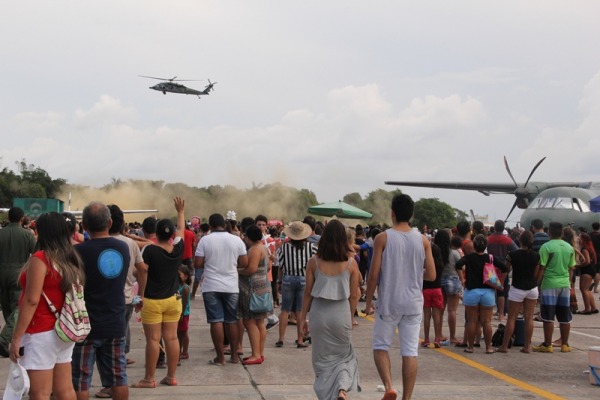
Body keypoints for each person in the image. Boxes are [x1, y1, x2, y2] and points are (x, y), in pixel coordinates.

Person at [365, 194, 435, 400]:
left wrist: (368, 302)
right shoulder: (423, 240)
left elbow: (374, 275)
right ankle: (407, 398)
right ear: (411, 214)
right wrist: (412, 272)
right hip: (413, 303)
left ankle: (389, 387)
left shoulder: (383, 238)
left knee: (380, 346)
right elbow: (431, 274)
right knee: (410, 352)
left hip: (389, 302)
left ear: (392, 213)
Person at [8, 212, 84, 400]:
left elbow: (31, 300)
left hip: (41, 331)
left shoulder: (41, 258)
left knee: (40, 393)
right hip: (64, 329)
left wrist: (16, 338)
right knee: (65, 390)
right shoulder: (70, 257)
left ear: (42, 231)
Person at [71, 202, 131, 400]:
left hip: (85, 324)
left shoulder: (78, 252)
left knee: (80, 379)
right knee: (118, 377)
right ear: (110, 222)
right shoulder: (123, 247)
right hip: (115, 322)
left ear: (84, 225)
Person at [298, 220, 361, 400]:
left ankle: (328, 396)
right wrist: (350, 316)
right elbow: (354, 295)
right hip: (340, 312)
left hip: (319, 313)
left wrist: (303, 318)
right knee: (345, 357)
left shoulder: (313, 262)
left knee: (322, 360)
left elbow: (307, 293)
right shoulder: (351, 264)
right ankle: (341, 389)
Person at [132, 197, 185, 388]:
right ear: (171, 234)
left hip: (152, 300)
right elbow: (181, 231)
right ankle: (171, 376)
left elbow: (142, 272)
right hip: (173, 299)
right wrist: (180, 212)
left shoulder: (149, 250)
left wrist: (141, 296)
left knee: (153, 340)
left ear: (156, 233)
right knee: (172, 338)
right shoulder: (178, 248)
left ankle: (149, 378)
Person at [194, 213, 248, 365]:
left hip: (211, 285)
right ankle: (235, 355)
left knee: (216, 321)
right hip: (231, 285)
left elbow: (197, 263)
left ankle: (220, 357)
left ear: (210, 226)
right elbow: (244, 262)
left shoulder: (205, 240)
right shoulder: (236, 240)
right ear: (224, 225)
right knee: (231, 320)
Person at [455, 234, 507, 355]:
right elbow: (504, 268)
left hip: (472, 291)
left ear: (474, 245)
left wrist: (462, 279)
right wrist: (501, 282)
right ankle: (488, 347)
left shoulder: (469, 257)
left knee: (472, 321)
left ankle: (470, 347)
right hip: (487, 291)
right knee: (486, 321)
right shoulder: (490, 258)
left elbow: (458, 265)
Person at [533, 222, 576, 353]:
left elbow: (542, 267)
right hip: (564, 284)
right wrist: (569, 283)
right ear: (562, 233)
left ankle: (547, 344)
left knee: (548, 316)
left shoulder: (546, 247)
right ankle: (565, 344)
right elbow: (571, 268)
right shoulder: (569, 248)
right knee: (564, 316)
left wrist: (537, 284)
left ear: (549, 233)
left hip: (549, 284)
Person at [0, 207, 37, 357]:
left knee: (7, 307)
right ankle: (4, 339)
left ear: (8, 217)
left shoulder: (1, 233)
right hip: (18, 274)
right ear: (22, 219)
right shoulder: (27, 235)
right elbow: (36, 254)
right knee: (18, 308)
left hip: (1, 274)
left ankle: (12, 339)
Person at [496, 231, 539, 354]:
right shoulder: (536, 256)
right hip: (532, 288)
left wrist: (500, 283)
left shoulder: (512, 255)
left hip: (517, 287)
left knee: (512, 318)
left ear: (520, 241)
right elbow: (536, 273)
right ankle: (527, 346)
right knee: (529, 318)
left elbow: (506, 269)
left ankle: (504, 346)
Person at [275, 221, 317, 348]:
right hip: (304, 279)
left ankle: (281, 339)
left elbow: (280, 266)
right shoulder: (312, 247)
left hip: (288, 279)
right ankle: (300, 339)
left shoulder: (284, 247)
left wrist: (279, 281)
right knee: (300, 310)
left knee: (285, 310)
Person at [238, 225, 271, 365]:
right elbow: (268, 266)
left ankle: (255, 354)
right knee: (260, 321)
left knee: (249, 321)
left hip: (252, 289)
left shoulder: (254, 249)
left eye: (245, 236)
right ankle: (259, 353)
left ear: (249, 237)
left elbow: (251, 269)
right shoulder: (263, 247)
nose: (244, 238)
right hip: (263, 287)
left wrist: (237, 271)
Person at [434, 229, 462, 345]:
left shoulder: (435, 252)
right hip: (453, 280)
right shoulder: (454, 253)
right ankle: (453, 336)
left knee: (440, 310)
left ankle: (438, 335)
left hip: (439, 281)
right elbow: (460, 267)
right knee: (452, 310)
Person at [486, 220, 518, 322]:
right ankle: (501, 314)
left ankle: (490, 312)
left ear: (494, 227)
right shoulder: (507, 240)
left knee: (490, 289)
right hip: (504, 267)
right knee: (502, 291)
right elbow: (516, 250)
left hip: (491, 267)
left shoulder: (489, 239)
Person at [422, 243, 446, 348]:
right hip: (437, 290)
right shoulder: (440, 264)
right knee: (437, 316)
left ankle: (426, 339)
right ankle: (437, 338)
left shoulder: (424, 263)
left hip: (426, 290)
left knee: (426, 316)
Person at [575, 233, 598, 314]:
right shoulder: (589, 248)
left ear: (583, 240)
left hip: (587, 270)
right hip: (591, 270)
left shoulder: (584, 249)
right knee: (587, 290)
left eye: (579, 238)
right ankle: (593, 307)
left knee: (583, 289)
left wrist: (578, 265)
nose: (577, 239)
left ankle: (587, 308)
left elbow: (587, 261)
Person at [178, 265, 192, 360]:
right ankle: (180, 351)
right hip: (179, 313)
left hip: (183, 313)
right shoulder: (178, 286)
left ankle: (184, 352)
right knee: (179, 333)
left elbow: (185, 302)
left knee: (183, 333)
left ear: (186, 277)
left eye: (179, 274)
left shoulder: (185, 288)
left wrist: (182, 313)